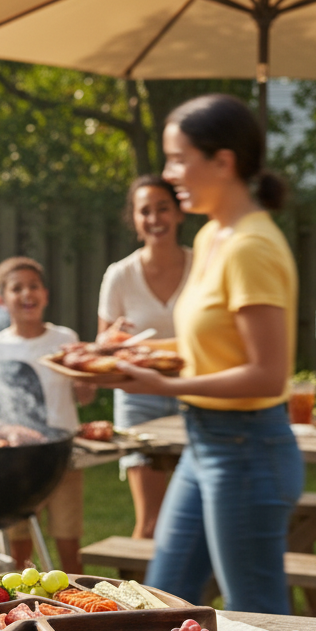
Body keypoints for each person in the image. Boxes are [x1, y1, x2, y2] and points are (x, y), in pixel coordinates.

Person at [115, 93, 303, 614]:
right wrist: (129, 355)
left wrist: (165, 386)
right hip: (206, 445)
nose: (169, 171)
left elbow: (267, 374)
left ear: (224, 162)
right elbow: (209, 347)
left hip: (248, 452)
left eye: (179, 158)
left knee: (255, 609)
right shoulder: (212, 235)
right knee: (162, 601)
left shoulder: (250, 247)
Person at [0, 256, 93, 573]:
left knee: (68, 541)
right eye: (17, 288)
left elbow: (83, 396)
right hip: (18, 457)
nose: (27, 294)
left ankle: (78, 604)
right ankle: (24, 603)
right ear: (1, 300)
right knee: (20, 546)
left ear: (45, 294)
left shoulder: (64, 339)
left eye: (34, 286)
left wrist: (89, 377)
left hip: (64, 452)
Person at [98, 175, 192, 539]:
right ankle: (142, 597)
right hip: (139, 400)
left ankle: (191, 597)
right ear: (135, 221)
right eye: (145, 211)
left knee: (193, 522)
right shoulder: (120, 275)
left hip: (194, 393)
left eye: (163, 208)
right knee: (152, 523)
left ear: (179, 212)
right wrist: (111, 339)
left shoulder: (203, 267)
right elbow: (102, 348)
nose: (155, 218)